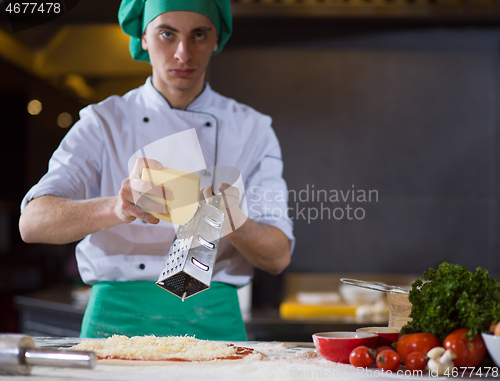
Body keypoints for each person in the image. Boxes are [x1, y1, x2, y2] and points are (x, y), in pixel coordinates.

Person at [18, 0, 294, 340]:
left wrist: (230, 220)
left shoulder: (253, 129)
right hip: (115, 323)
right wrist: (115, 208)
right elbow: (32, 223)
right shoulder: (102, 122)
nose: (183, 53)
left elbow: (278, 256)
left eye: (199, 35)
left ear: (217, 40)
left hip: (214, 323)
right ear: (144, 37)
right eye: (167, 34)